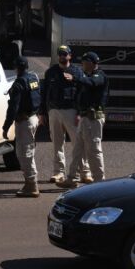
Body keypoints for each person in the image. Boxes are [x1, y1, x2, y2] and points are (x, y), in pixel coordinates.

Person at [57, 51, 108, 189]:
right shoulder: (87, 76)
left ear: (91, 63)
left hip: (93, 119)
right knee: (77, 149)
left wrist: (74, 78)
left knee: (93, 150)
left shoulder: (99, 76)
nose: (82, 65)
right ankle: (72, 178)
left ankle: (99, 181)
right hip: (85, 118)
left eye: (85, 62)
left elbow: (91, 83)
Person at [39, 45, 88, 184]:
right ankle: (58, 172)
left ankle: (84, 172)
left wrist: (80, 113)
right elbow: (44, 93)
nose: (62, 56)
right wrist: (42, 112)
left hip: (71, 111)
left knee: (78, 143)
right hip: (54, 111)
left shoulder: (77, 72)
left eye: (65, 54)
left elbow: (83, 93)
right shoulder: (51, 72)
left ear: (70, 56)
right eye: (60, 54)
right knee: (57, 143)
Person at [3, 56, 42, 198]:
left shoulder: (19, 83)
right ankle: (29, 183)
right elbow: (39, 98)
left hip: (24, 122)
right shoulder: (33, 78)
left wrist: (6, 126)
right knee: (28, 151)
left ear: (17, 68)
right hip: (33, 118)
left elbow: (13, 107)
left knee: (24, 154)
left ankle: (32, 185)